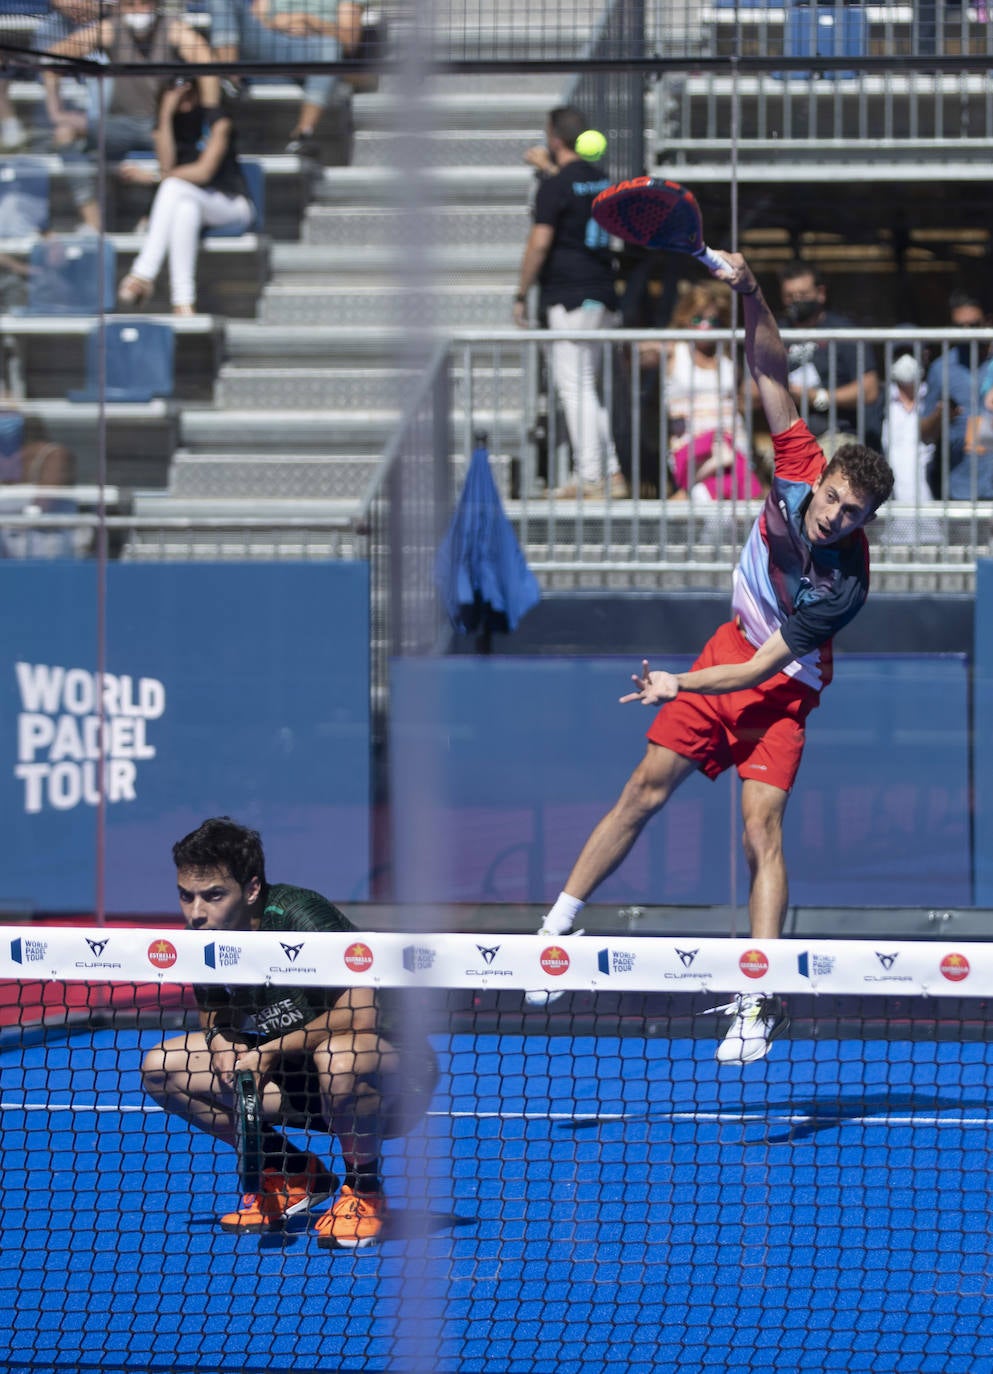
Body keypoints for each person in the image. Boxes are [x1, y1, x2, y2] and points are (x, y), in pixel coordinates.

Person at [526, 250, 895, 1066]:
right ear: (822, 475)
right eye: (834, 497)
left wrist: (676, 681)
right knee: (641, 790)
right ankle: (553, 934)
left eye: (853, 513)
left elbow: (759, 672)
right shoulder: (798, 462)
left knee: (760, 829)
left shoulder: (843, 585)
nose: (834, 516)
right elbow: (766, 363)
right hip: (726, 644)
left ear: (866, 520)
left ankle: (759, 1000)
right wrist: (752, 290)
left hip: (779, 682)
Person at [140, 817, 438, 1247]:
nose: (197, 912)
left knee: (339, 1057)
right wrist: (222, 1039)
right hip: (302, 1077)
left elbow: (361, 1014)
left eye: (214, 896)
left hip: (390, 1078)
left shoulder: (300, 916)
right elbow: (215, 1011)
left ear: (253, 889)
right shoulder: (201, 939)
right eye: (186, 897)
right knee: (161, 1067)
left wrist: (269, 1050)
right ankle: (293, 1172)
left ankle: (366, 1192)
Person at [513, 104, 627, 500]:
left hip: (569, 293)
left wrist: (520, 292)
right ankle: (608, 471)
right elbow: (576, 194)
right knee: (586, 385)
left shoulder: (556, 186)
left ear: (554, 138)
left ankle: (592, 475)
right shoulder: (601, 180)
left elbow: (541, 241)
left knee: (574, 386)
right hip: (602, 293)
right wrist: (550, 170)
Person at [46, 0, 218, 232]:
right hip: (117, 124)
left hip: (159, 125)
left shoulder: (174, 30)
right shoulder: (110, 29)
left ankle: (152, 218)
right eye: (131, 4)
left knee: (179, 146)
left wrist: (212, 115)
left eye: (145, 3)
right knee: (64, 134)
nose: (139, 10)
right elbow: (52, 58)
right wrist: (55, 111)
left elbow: (208, 68)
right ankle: (93, 221)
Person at [116, 78, 254, 316]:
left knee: (172, 187)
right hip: (194, 202)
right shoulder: (167, 124)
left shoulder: (217, 121)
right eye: (177, 92)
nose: (185, 99)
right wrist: (167, 113)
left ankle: (143, 274)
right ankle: (183, 303)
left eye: (189, 92)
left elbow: (203, 172)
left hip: (232, 205)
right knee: (185, 210)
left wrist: (153, 178)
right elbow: (167, 164)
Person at [204, 0, 365, 156]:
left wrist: (309, 21)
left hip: (315, 47)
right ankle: (230, 79)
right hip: (273, 41)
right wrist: (278, 24)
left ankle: (303, 136)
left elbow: (349, 40)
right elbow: (258, 18)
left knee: (330, 47)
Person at [654, 279, 763, 504]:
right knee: (711, 496)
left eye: (712, 320)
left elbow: (749, 396)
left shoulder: (728, 352)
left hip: (732, 442)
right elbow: (635, 353)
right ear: (684, 318)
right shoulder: (674, 350)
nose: (705, 327)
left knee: (726, 497)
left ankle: (681, 500)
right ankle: (682, 498)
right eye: (697, 319)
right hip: (692, 446)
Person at [777, 258, 883, 454]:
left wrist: (818, 397)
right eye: (790, 296)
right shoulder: (775, 334)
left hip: (837, 436)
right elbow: (751, 391)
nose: (796, 302)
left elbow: (869, 389)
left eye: (803, 295)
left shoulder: (843, 332)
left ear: (820, 293)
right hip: (789, 441)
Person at [919, 288, 993, 499]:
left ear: (988, 321)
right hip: (959, 491)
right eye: (960, 327)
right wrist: (940, 415)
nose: (967, 333)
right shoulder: (941, 369)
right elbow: (924, 434)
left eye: (974, 325)